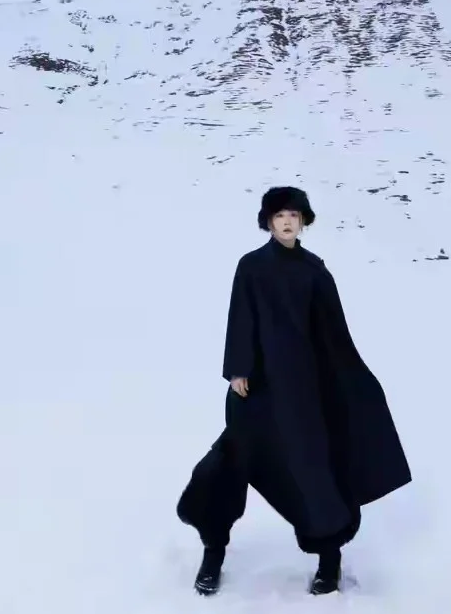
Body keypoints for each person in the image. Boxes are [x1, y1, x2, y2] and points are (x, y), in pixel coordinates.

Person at [176, 186, 412, 596]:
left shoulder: (314, 271)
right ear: (268, 222)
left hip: (303, 394)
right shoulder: (251, 266)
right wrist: (237, 369)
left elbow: (334, 336)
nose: (287, 222)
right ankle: (213, 550)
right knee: (228, 466)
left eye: (293, 215)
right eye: (279, 215)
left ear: (303, 221)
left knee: (315, 473)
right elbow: (241, 317)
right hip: (255, 391)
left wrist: (348, 384)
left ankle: (329, 561)